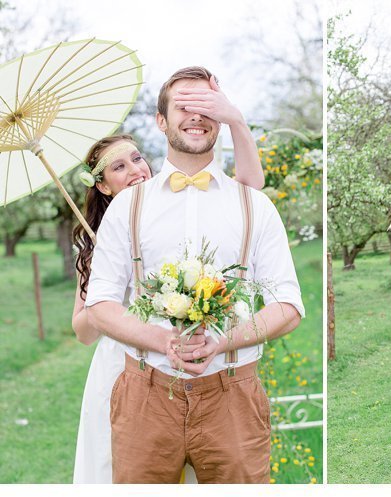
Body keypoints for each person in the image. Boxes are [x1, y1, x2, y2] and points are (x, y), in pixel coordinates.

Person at [84, 66, 303, 484]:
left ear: (219, 117)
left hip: (233, 395)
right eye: (184, 105)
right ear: (161, 121)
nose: (196, 115)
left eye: (207, 105)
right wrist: (164, 341)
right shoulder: (127, 208)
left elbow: (289, 307)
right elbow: (100, 304)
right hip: (145, 397)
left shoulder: (255, 206)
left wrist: (222, 341)